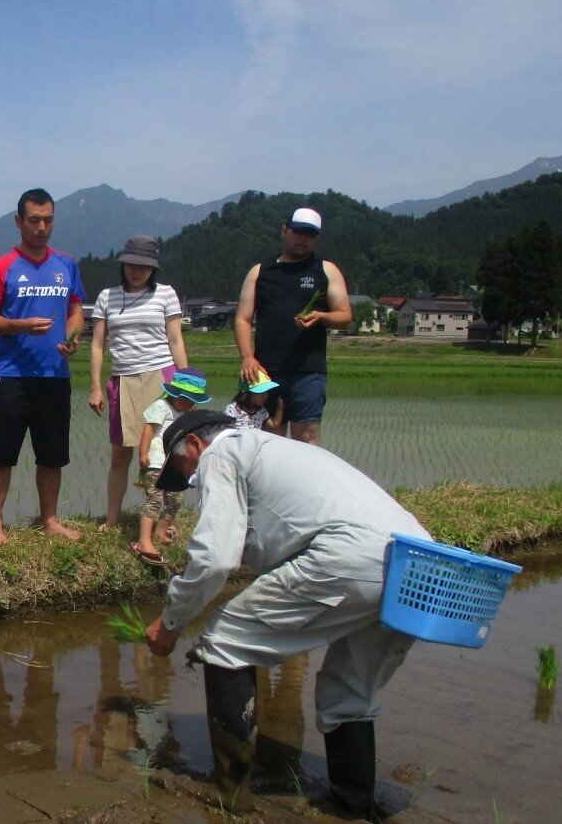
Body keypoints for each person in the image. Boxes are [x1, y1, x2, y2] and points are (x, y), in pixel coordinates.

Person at [144, 410, 431, 817]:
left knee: (226, 638)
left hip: (350, 555)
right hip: (415, 565)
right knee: (348, 690)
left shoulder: (222, 454)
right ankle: (352, 805)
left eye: (185, 471)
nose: (192, 482)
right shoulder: (280, 451)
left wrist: (170, 623)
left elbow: (213, 560)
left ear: (195, 444)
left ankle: (231, 790)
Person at [0, 188, 85, 543]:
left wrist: (73, 336)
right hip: (13, 376)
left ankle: (49, 519)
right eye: (34, 220)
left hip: (55, 374)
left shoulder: (66, 264)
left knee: (52, 454)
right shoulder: (2, 267)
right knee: (2, 453)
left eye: (48, 220)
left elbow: (75, 308)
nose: (41, 227)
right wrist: (18, 326)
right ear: (19, 221)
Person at [88, 235, 187, 530]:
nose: (137, 271)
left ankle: (164, 519)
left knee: (166, 449)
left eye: (144, 266)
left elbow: (175, 340)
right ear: (123, 264)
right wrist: (95, 387)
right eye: (132, 264)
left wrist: (186, 383)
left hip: (162, 378)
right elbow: (97, 345)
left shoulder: (166, 294)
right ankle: (113, 518)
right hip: (124, 379)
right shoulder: (108, 297)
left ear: (153, 268)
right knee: (121, 452)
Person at [234, 207, 352, 446]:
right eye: (298, 231)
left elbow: (345, 315)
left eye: (310, 234)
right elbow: (242, 319)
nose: (303, 238)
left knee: (307, 437)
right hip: (265, 371)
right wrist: (247, 357)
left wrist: (321, 317)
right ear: (284, 231)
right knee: (267, 437)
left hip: (308, 370)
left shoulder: (326, 270)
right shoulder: (260, 271)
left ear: (316, 238)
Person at [133, 368, 208, 562]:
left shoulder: (185, 413)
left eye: (193, 401)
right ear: (175, 394)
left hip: (173, 465)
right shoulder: (161, 406)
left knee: (175, 500)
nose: (189, 404)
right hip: (156, 462)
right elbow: (149, 430)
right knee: (155, 500)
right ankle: (143, 540)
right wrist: (143, 453)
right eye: (186, 399)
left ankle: (160, 532)